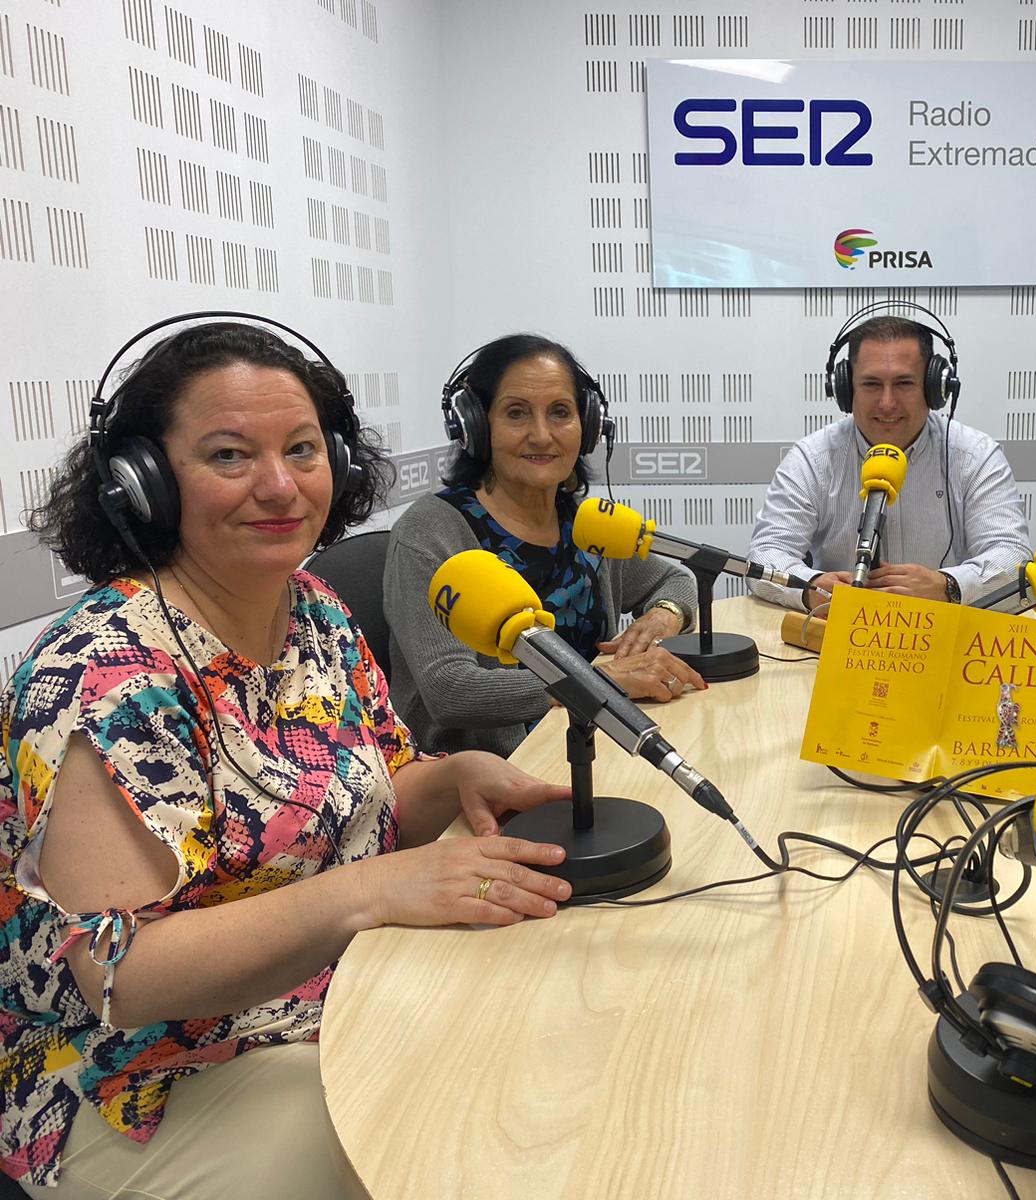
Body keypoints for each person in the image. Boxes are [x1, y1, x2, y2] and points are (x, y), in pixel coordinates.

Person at [2, 320, 578, 1197]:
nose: (279, 486)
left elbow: (378, 789)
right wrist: (369, 892)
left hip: (333, 1002)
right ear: (143, 483)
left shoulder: (312, 611)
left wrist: (453, 777)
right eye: (230, 456)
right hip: (134, 1078)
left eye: (303, 449)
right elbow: (122, 973)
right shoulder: (100, 673)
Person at [384, 334, 702, 757]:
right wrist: (602, 682)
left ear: (586, 427)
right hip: (484, 778)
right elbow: (451, 689)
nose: (541, 435)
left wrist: (663, 618)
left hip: (589, 744)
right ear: (476, 426)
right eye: (516, 414)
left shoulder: (584, 524)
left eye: (560, 413)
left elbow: (675, 580)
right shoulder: (430, 533)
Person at [747, 309, 1031, 615]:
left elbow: (1013, 555)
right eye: (870, 384)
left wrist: (949, 585)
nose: (887, 403)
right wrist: (810, 587)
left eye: (904, 384)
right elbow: (765, 555)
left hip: (941, 632)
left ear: (935, 388)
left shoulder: (974, 456)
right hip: (838, 634)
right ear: (845, 390)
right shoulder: (813, 458)